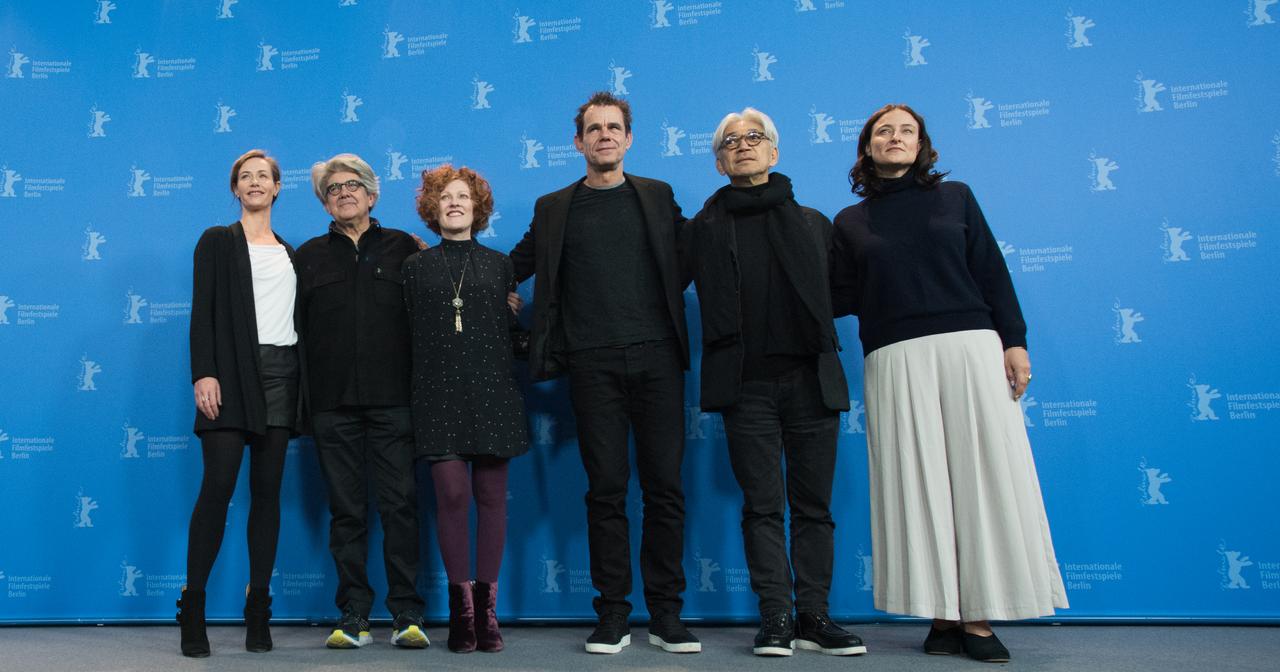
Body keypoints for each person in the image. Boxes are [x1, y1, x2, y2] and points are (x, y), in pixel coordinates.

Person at [830, 104, 1068, 663]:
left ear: (921, 145)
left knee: (981, 480)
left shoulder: (955, 196)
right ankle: (941, 615)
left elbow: (991, 271)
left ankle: (978, 619)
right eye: (883, 130)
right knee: (918, 486)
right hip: (893, 357)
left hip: (970, 348)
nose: (895, 137)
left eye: (906, 130)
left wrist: (1014, 340)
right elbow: (838, 296)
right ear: (866, 147)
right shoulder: (848, 222)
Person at [510, 91, 698, 655]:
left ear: (629, 138)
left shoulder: (659, 196)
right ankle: (613, 613)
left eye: (614, 127)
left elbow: (696, 254)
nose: (605, 136)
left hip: (659, 360)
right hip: (591, 365)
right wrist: (452, 272)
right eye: (594, 129)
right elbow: (511, 265)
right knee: (606, 491)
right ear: (579, 142)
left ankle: (666, 615)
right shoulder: (553, 207)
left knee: (665, 490)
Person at [679, 108, 866, 658]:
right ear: (718, 161)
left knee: (814, 507)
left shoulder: (814, 222)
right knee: (762, 506)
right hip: (746, 387)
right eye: (731, 142)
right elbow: (658, 286)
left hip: (811, 379)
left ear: (775, 152)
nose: (743, 146)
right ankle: (776, 617)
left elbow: (849, 292)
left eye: (754, 138)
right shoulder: (701, 229)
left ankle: (814, 616)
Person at [295, 153, 427, 650]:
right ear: (324, 202)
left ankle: (407, 614)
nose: (344, 193)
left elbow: (441, 304)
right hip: (332, 406)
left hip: (396, 401)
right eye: (333, 188)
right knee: (346, 513)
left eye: (354, 185)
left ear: (372, 196)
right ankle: (353, 614)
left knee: (400, 508)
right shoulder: (305, 257)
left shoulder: (407, 250)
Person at [403, 165, 529, 653]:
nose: (454, 203)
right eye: (445, 197)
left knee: (492, 500)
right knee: (453, 497)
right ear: (433, 210)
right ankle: (462, 614)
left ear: (478, 208)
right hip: (437, 395)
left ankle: (488, 613)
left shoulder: (501, 266)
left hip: (493, 392)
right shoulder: (414, 268)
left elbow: (505, 330)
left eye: (463, 197)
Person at [179, 148, 299, 657]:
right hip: (228, 376)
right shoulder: (216, 242)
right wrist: (203, 373)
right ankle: (194, 607)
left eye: (263, 176)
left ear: (276, 188)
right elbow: (201, 310)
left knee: (267, 494)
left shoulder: (291, 250)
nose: (254, 182)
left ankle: (258, 609)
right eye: (244, 177)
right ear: (235, 189)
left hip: (283, 375)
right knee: (218, 487)